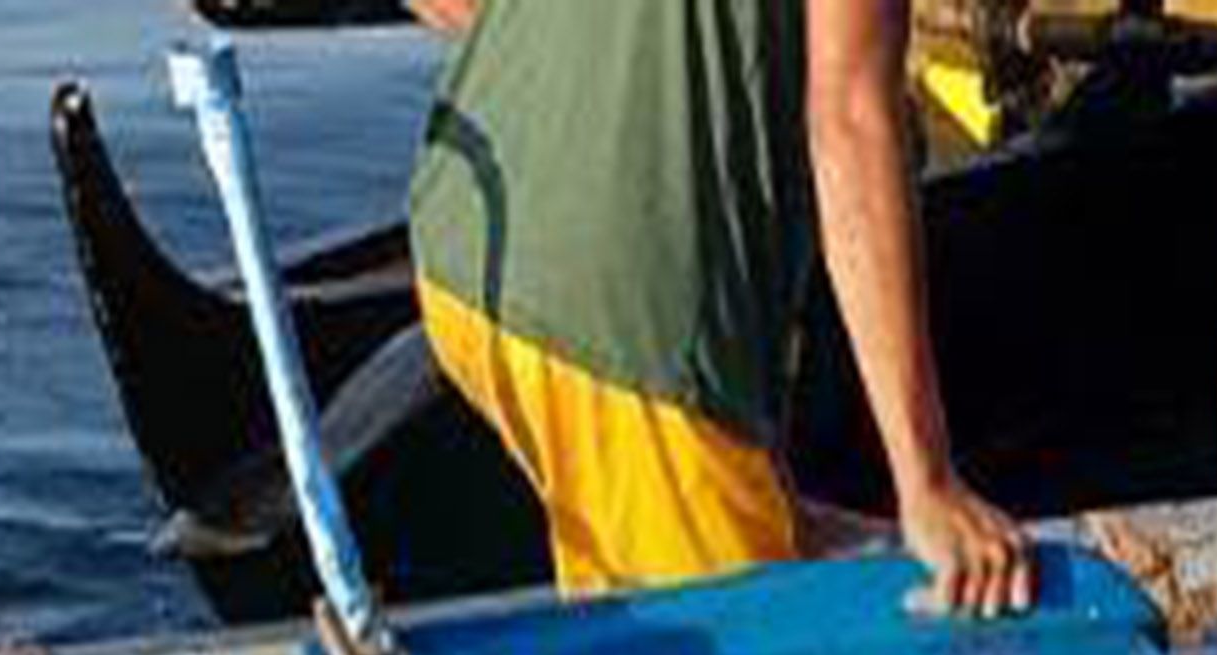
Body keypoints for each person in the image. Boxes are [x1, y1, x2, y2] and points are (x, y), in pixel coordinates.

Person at [403, 0, 1033, 614]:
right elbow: (850, 119)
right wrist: (925, 482)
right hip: (627, 330)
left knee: (719, 543)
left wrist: (580, 91)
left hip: (469, 244)